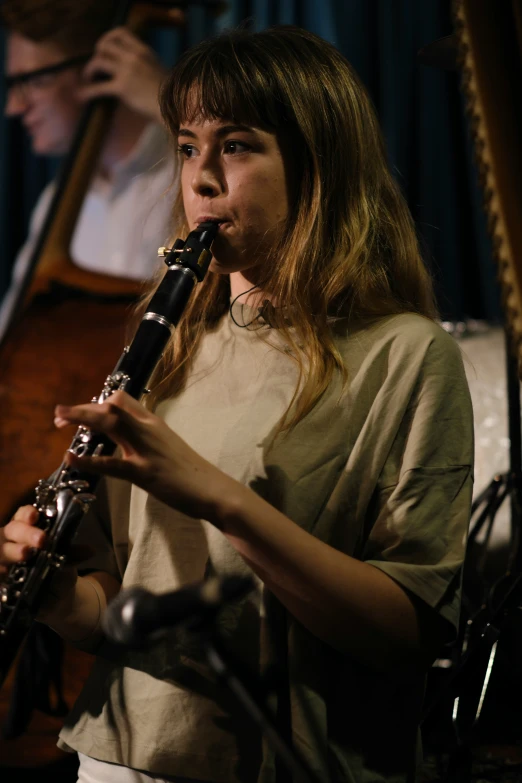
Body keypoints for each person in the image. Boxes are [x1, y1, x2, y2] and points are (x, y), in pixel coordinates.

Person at [0, 25, 474, 783]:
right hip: (117, 755)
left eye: (238, 146)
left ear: (319, 168)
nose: (202, 179)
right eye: (188, 147)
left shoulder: (406, 354)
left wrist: (219, 497)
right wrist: (59, 598)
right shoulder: (175, 342)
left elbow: (406, 631)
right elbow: (124, 605)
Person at [0, 0, 180, 337]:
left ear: (104, 64)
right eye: (13, 85)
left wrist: (172, 105)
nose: (14, 107)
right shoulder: (57, 201)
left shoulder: (193, 176)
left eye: (34, 81)